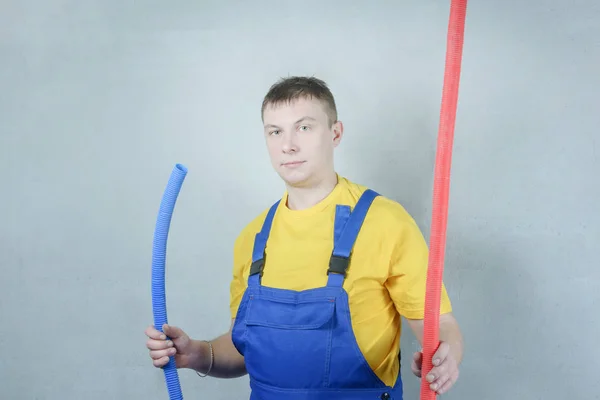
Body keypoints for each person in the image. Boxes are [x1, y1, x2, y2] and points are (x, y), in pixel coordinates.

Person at [145, 76, 463, 399]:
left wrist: (446, 355)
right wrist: (199, 354)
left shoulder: (386, 223)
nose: (288, 145)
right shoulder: (253, 239)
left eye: (304, 128)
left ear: (335, 133)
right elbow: (244, 348)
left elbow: (440, 327)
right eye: (275, 131)